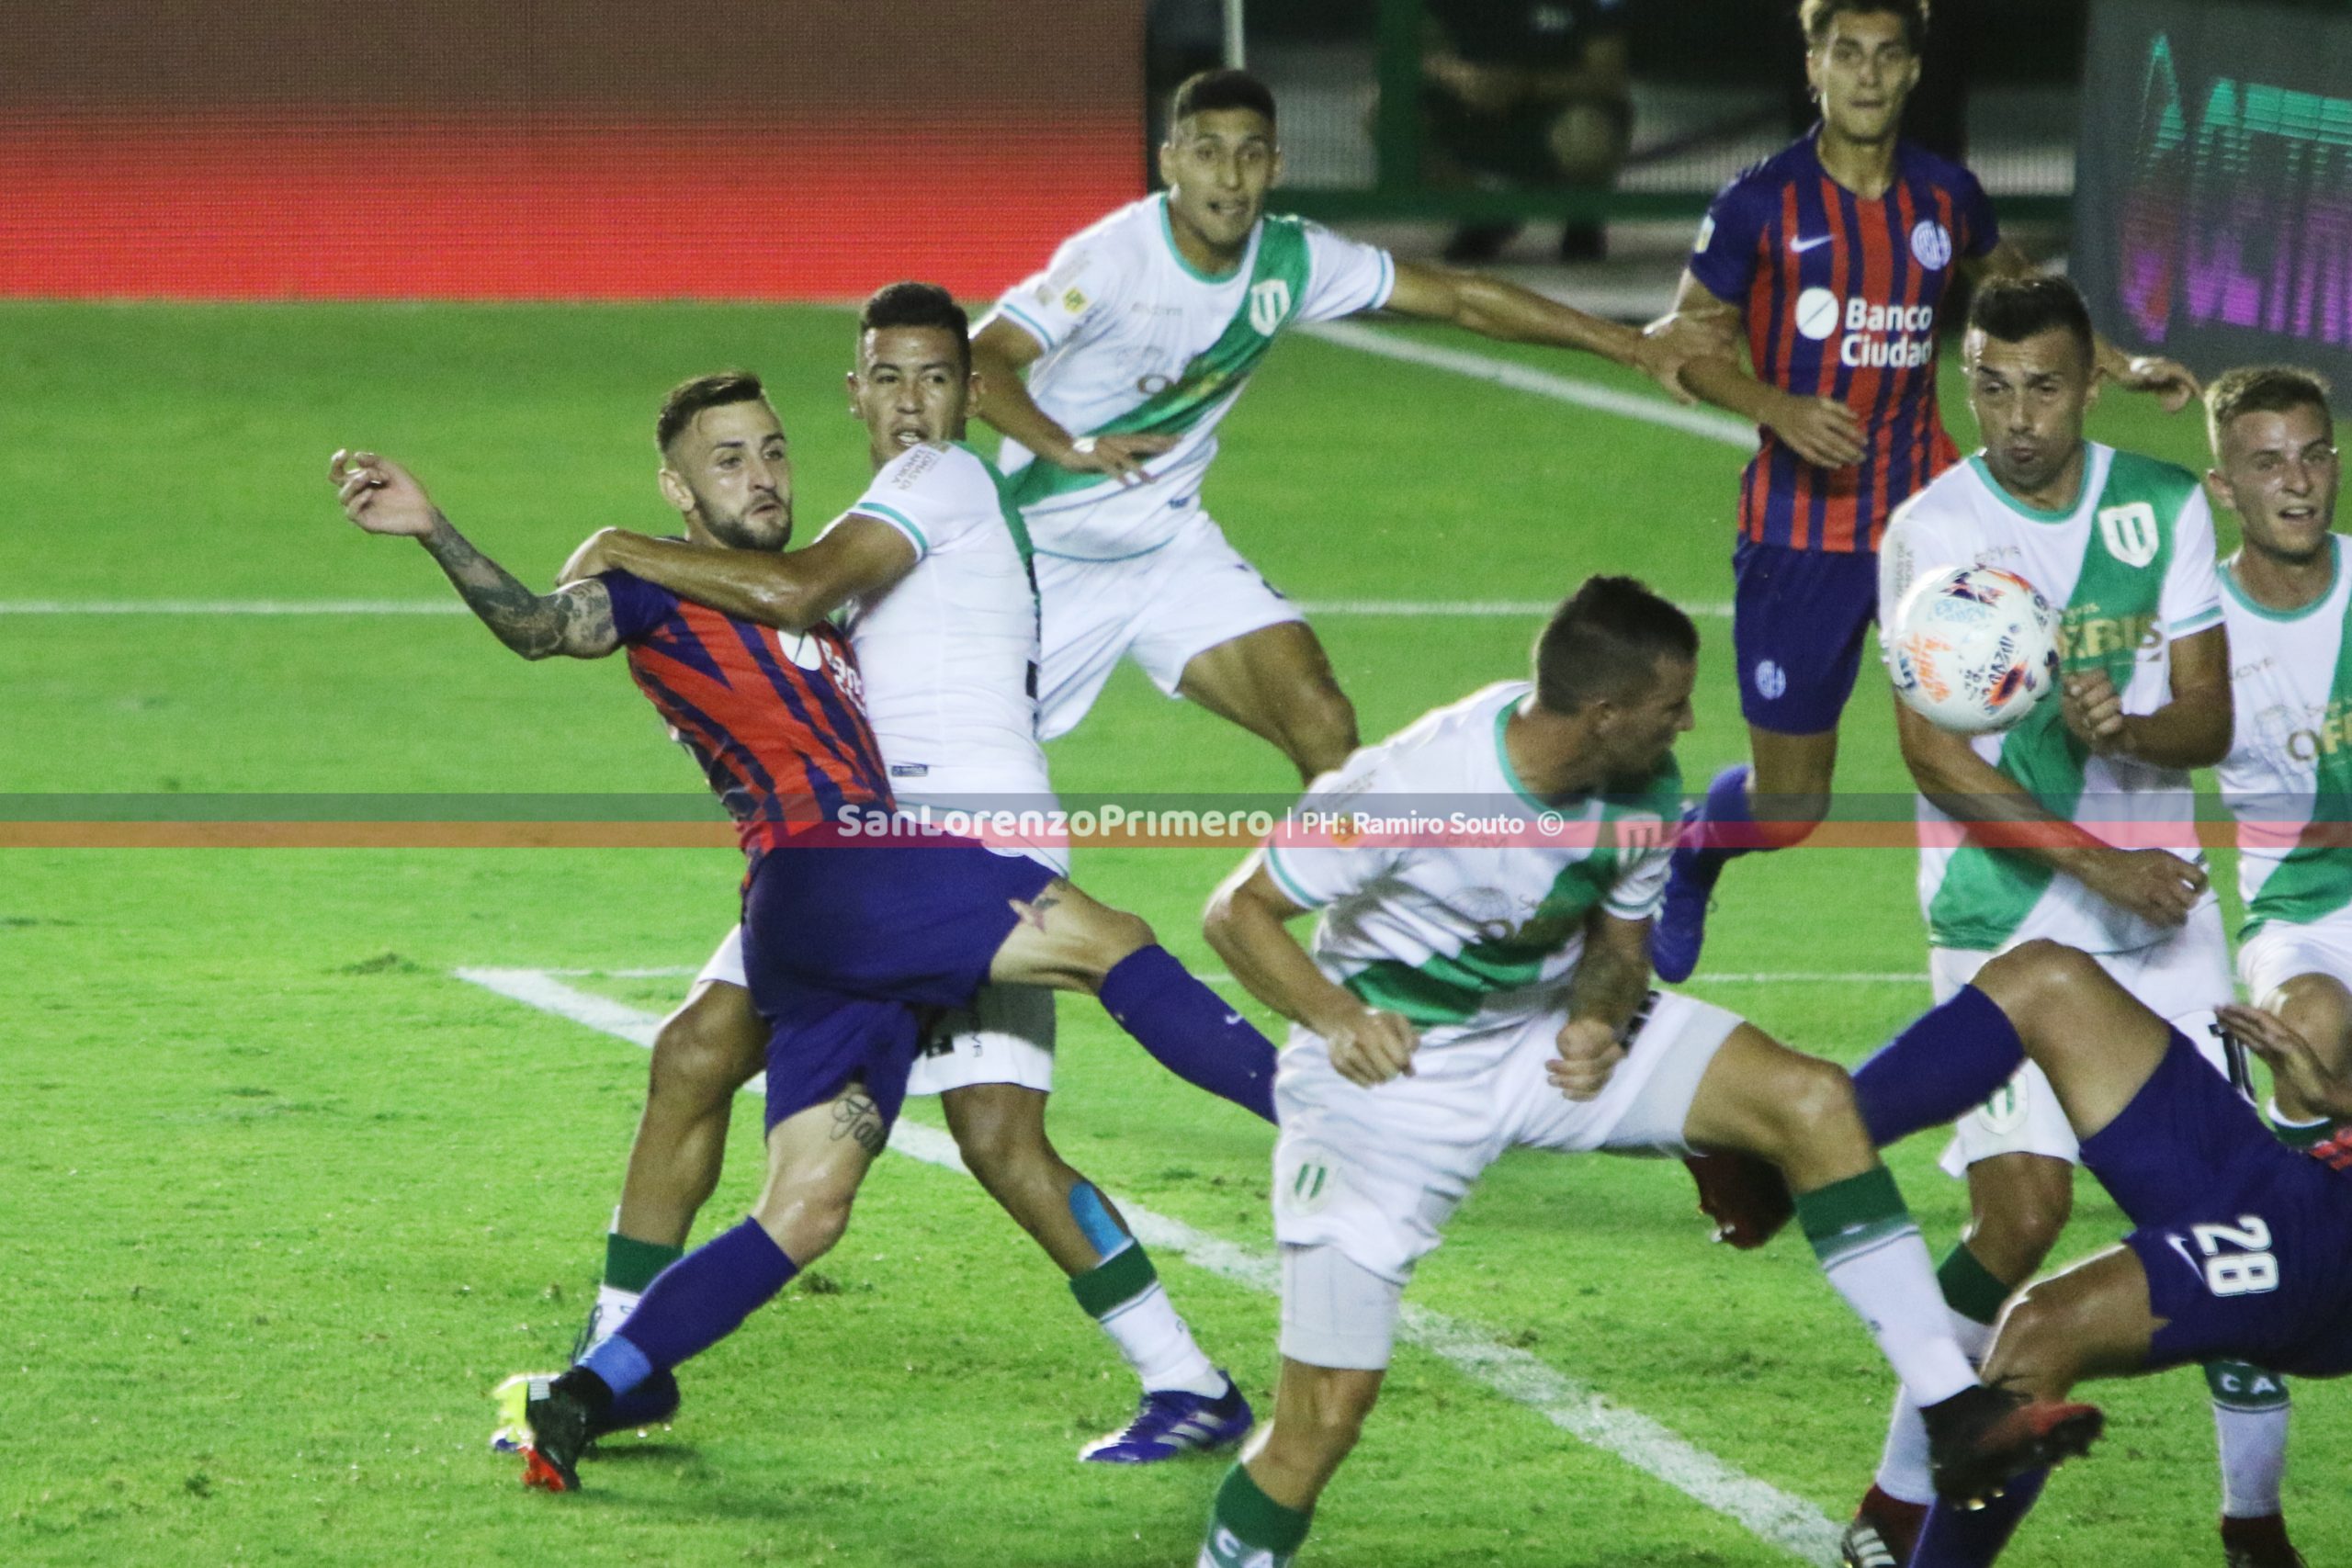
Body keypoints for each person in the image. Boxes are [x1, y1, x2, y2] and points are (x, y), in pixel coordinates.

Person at [324, 370, 1283, 1494]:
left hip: (823, 925)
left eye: (774, 450)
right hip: (845, 869)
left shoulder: (808, 601)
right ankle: (1328, 1113)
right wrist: (438, 531)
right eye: (728, 459)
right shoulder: (655, 593)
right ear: (677, 487)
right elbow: (542, 623)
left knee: (807, 1205)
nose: (763, 474)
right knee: (1109, 941)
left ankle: (587, 1394)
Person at [1189, 577, 2098, 1568]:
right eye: (1671, 705)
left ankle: (1951, 1411)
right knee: (1321, 1419)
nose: (1689, 723)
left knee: (1810, 1099)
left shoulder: (1642, 780)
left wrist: (1594, 1015)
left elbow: (1622, 947)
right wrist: (1335, 1017)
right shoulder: (1418, 786)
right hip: (1386, 1089)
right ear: (1603, 714)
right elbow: (1234, 912)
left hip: (1540, 1038)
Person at [1841, 276, 2301, 1568]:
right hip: (2003, 907)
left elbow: (2206, 719)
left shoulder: (2159, 508)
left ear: (2090, 378)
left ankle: (2253, 1518)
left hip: (2167, 927)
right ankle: (1897, 1495)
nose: (2017, 414)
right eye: (1990, 384)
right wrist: (2100, 864)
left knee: (2234, 1225)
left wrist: (2130, 730)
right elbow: (1933, 754)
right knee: (2021, 1214)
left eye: (2044, 385)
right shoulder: (1931, 528)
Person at [1650, 0, 2199, 985]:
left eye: (1886, 56)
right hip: (1798, 535)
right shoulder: (1757, 204)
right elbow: (1680, 345)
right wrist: (1775, 405)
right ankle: (1693, 854)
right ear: (1811, 65)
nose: (1866, 76)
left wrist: (2112, 363)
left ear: (1912, 72)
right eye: (1845, 55)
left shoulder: (1946, 196)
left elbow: (2013, 289)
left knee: (2006, 730)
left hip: (1933, 523)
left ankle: (2029, 942)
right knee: (1790, 807)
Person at [969, 66, 1702, 790]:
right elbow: (981, 357)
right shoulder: (1112, 259)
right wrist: (1067, 445)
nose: (1229, 176)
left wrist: (1633, 345)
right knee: (948, 759)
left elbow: (1460, 299)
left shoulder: (1293, 258)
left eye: (1250, 153)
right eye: (1206, 152)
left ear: (1276, 166)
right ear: (1170, 163)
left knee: (1324, 723)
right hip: (1046, 552)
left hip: (1168, 553)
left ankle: (1337, 908)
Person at [1838, 940, 2352, 1566]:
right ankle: (1803, 1138)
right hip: (2296, 1181)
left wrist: (2335, 1101)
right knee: (2046, 978)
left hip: (2328, 1246)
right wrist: (2329, 1102)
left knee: (2041, 1327)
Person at [1420, 0, 1634, 264]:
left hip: (1558, 108)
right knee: (1386, 117)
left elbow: (1607, 75)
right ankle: (1483, 214)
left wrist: (1523, 85)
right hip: (1475, 107)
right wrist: (1458, 75)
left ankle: (1582, 212)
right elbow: (1418, 46)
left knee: (1586, 136)